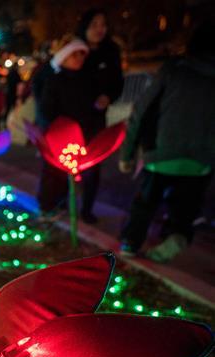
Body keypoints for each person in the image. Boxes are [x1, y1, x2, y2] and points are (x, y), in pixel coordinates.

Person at [118, 20, 215, 262]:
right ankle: (178, 235)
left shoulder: (173, 69)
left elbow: (142, 110)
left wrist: (127, 153)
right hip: (201, 159)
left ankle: (131, 243)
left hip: (162, 152)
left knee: (147, 202)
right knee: (186, 206)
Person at [37, 39, 102, 219]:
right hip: (59, 135)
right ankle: (47, 207)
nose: (79, 58)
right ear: (64, 57)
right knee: (53, 172)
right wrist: (55, 128)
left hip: (82, 135)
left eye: (82, 54)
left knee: (73, 174)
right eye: (75, 54)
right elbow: (46, 107)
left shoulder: (87, 81)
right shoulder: (54, 80)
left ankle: (63, 204)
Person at [75, 8, 124, 223]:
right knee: (64, 163)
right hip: (71, 117)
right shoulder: (75, 48)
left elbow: (117, 81)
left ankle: (86, 209)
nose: (99, 29)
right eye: (94, 24)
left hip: (96, 119)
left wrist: (108, 96)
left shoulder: (111, 50)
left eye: (103, 24)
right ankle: (55, 203)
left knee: (92, 166)